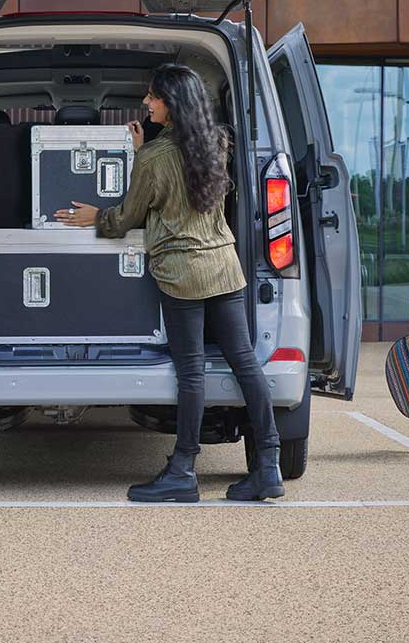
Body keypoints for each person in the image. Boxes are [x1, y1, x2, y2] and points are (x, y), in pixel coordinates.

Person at [54, 64, 283, 502]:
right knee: (245, 362)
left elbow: (126, 218)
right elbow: (187, 172)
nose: (146, 102)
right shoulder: (217, 144)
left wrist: (94, 216)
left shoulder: (154, 159)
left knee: (191, 373)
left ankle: (182, 470)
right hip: (224, 266)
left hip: (182, 276)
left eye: (152, 97)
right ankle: (267, 465)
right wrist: (149, 146)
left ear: (172, 104)